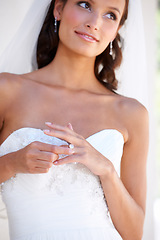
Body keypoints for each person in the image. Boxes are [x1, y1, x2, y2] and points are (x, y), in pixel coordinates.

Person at [0, 0, 149, 239]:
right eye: (85, 4)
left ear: (117, 30)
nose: (94, 23)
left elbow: (134, 233)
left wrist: (107, 171)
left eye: (110, 15)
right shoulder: (6, 90)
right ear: (58, 8)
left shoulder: (132, 113)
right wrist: (12, 162)